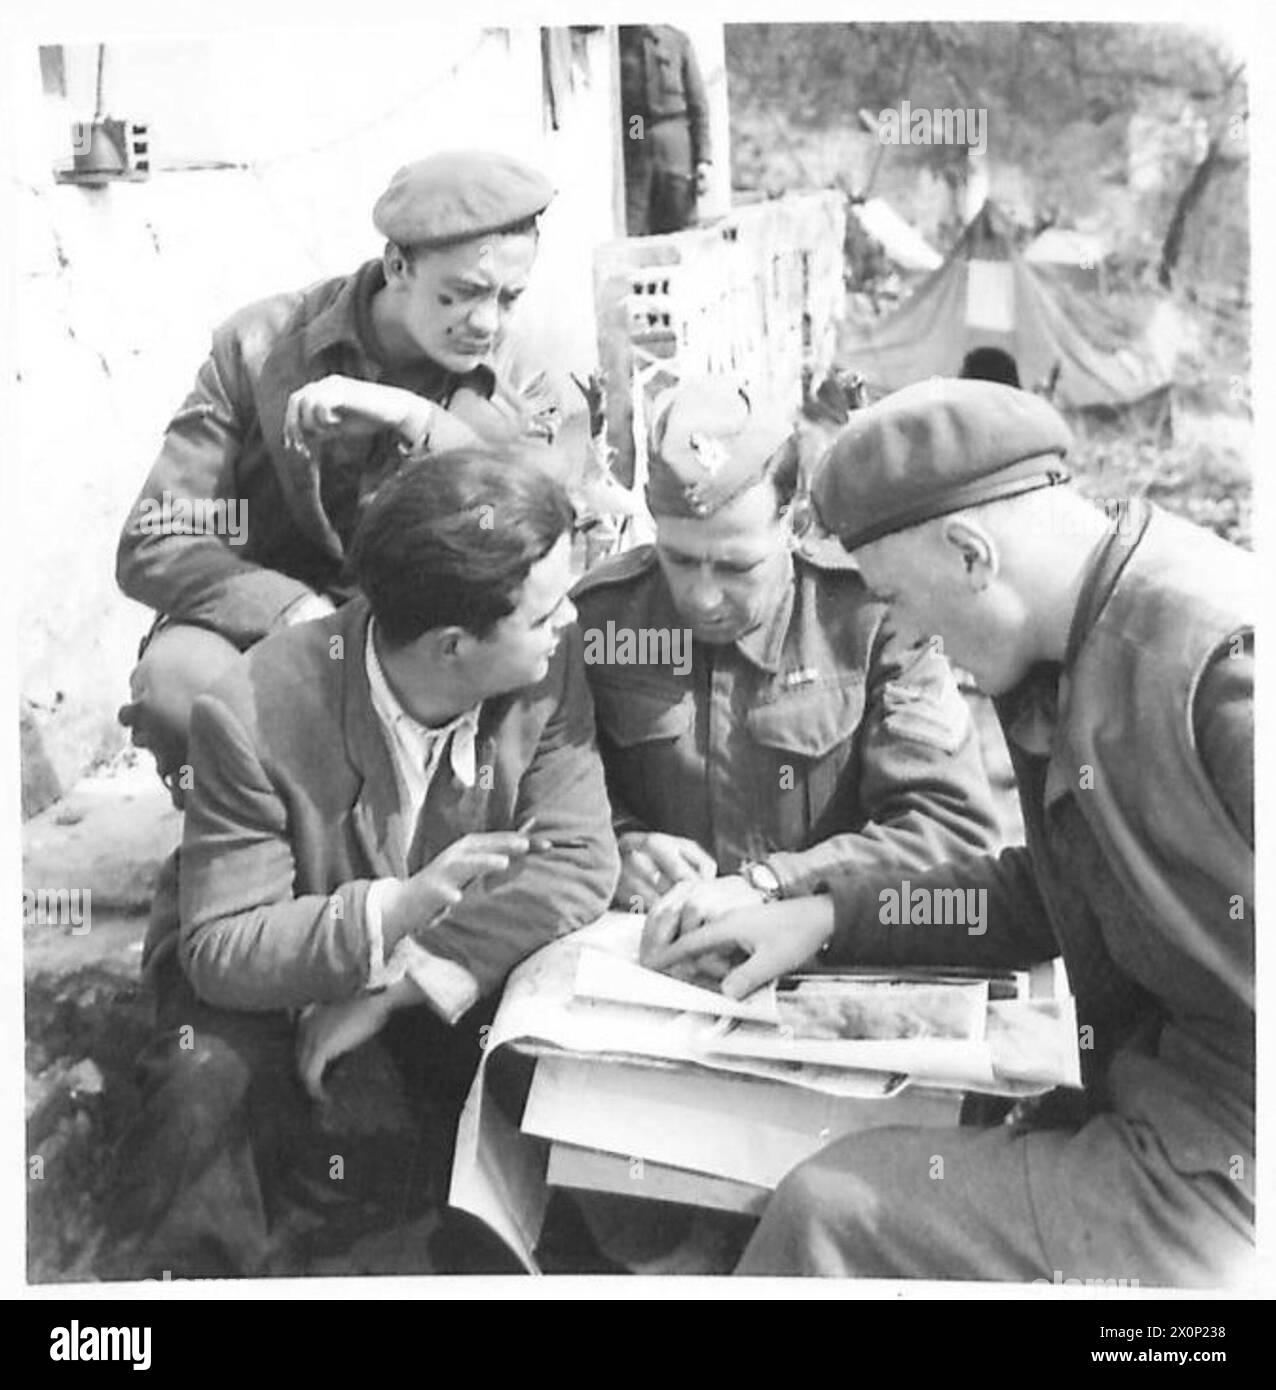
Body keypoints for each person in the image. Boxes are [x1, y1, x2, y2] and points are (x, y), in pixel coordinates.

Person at [652, 378, 1254, 1287]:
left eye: (898, 596)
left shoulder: (1222, 667)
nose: (907, 631)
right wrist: (824, 918)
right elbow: (1054, 893)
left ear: (972, 554)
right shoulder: (1077, 635)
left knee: (834, 1211)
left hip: (1225, 1172)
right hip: (1171, 1113)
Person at [100, 452, 619, 1279]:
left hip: (441, 967)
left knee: (469, 1136)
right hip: (268, 985)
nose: (567, 622)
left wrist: (405, 981)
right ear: (453, 645)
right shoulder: (253, 706)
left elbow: (578, 859)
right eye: (546, 610)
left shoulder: (545, 670)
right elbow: (226, 946)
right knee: (205, 1089)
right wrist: (388, 911)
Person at [116, 149, 560, 803]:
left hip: (426, 646)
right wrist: (290, 611)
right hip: (273, 634)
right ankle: (243, 849)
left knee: (541, 661)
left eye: (509, 298)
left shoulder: (524, 371)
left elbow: (546, 530)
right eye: (461, 293)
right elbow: (156, 539)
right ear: (397, 266)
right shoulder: (260, 347)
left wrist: (416, 420)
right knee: (177, 682)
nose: (487, 323)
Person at [571, 377, 1002, 966]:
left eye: (735, 566)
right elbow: (543, 794)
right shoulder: (603, 624)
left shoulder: (872, 619)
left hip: (830, 957)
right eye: (679, 559)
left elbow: (953, 832)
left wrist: (774, 884)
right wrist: (616, 844)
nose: (703, 597)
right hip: (649, 960)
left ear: (793, 521)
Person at [619, 25, 712, 236]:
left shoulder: (677, 41)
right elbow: (632, 112)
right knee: (635, 224)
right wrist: (639, 147)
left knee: (679, 223)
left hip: (675, 140)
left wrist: (703, 160)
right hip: (639, 128)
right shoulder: (623, 40)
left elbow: (698, 106)